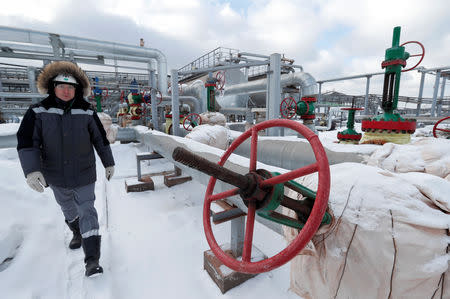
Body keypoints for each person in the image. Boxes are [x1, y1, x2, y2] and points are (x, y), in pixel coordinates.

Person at [16, 61, 115, 277]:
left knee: (87, 209)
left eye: (70, 87)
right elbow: (27, 142)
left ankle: (92, 260)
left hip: (84, 172)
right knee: (68, 208)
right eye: (61, 86)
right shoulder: (38, 111)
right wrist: (32, 170)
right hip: (55, 174)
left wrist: (108, 161)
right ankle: (77, 231)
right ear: (53, 87)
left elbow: (100, 139)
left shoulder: (87, 111)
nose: (66, 90)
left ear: (77, 89)